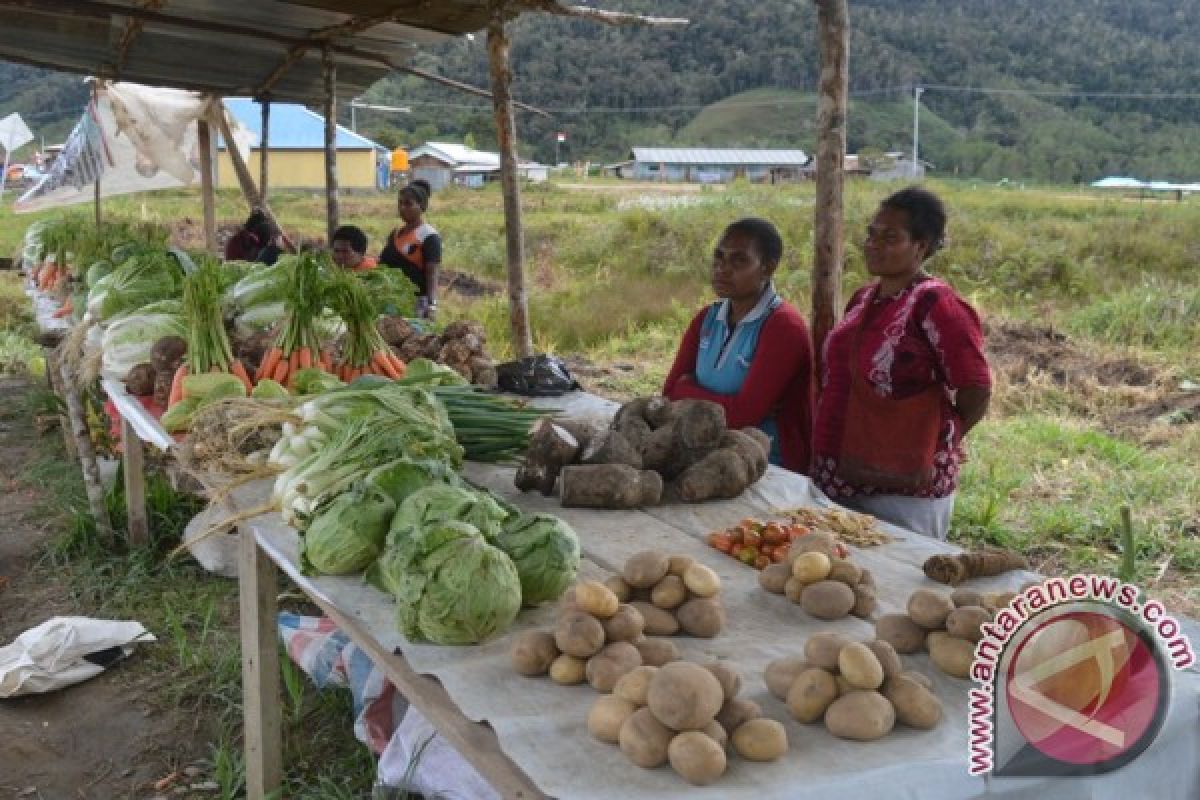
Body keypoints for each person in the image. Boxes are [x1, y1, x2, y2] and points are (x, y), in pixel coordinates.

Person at [811, 187, 992, 540]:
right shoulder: (865, 298)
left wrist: (942, 437)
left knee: (900, 577)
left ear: (920, 246)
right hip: (844, 470)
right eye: (871, 234)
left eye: (889, 238)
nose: (873, 244)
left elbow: (976, 387)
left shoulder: (936, 304)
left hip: (903, 486)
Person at [663, 218, 815, 473]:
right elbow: (668, 392)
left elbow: (743, 416)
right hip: (708, 452)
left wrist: (687, 389)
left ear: (767, 268)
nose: (722, 268)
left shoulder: (783, 327)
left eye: (739, 260)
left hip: (768, 464)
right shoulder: (708, 318)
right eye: (719, 257)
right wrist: (719, 402)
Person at [379, 179, 441, 318]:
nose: (402, 208)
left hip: (416, 304)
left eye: (408, 204)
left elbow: (432, 274)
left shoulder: (428, 236)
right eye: (400, 203)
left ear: (422, 206)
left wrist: (432, 305)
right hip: (391, 301)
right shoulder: (395, 234)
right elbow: (382, 266)